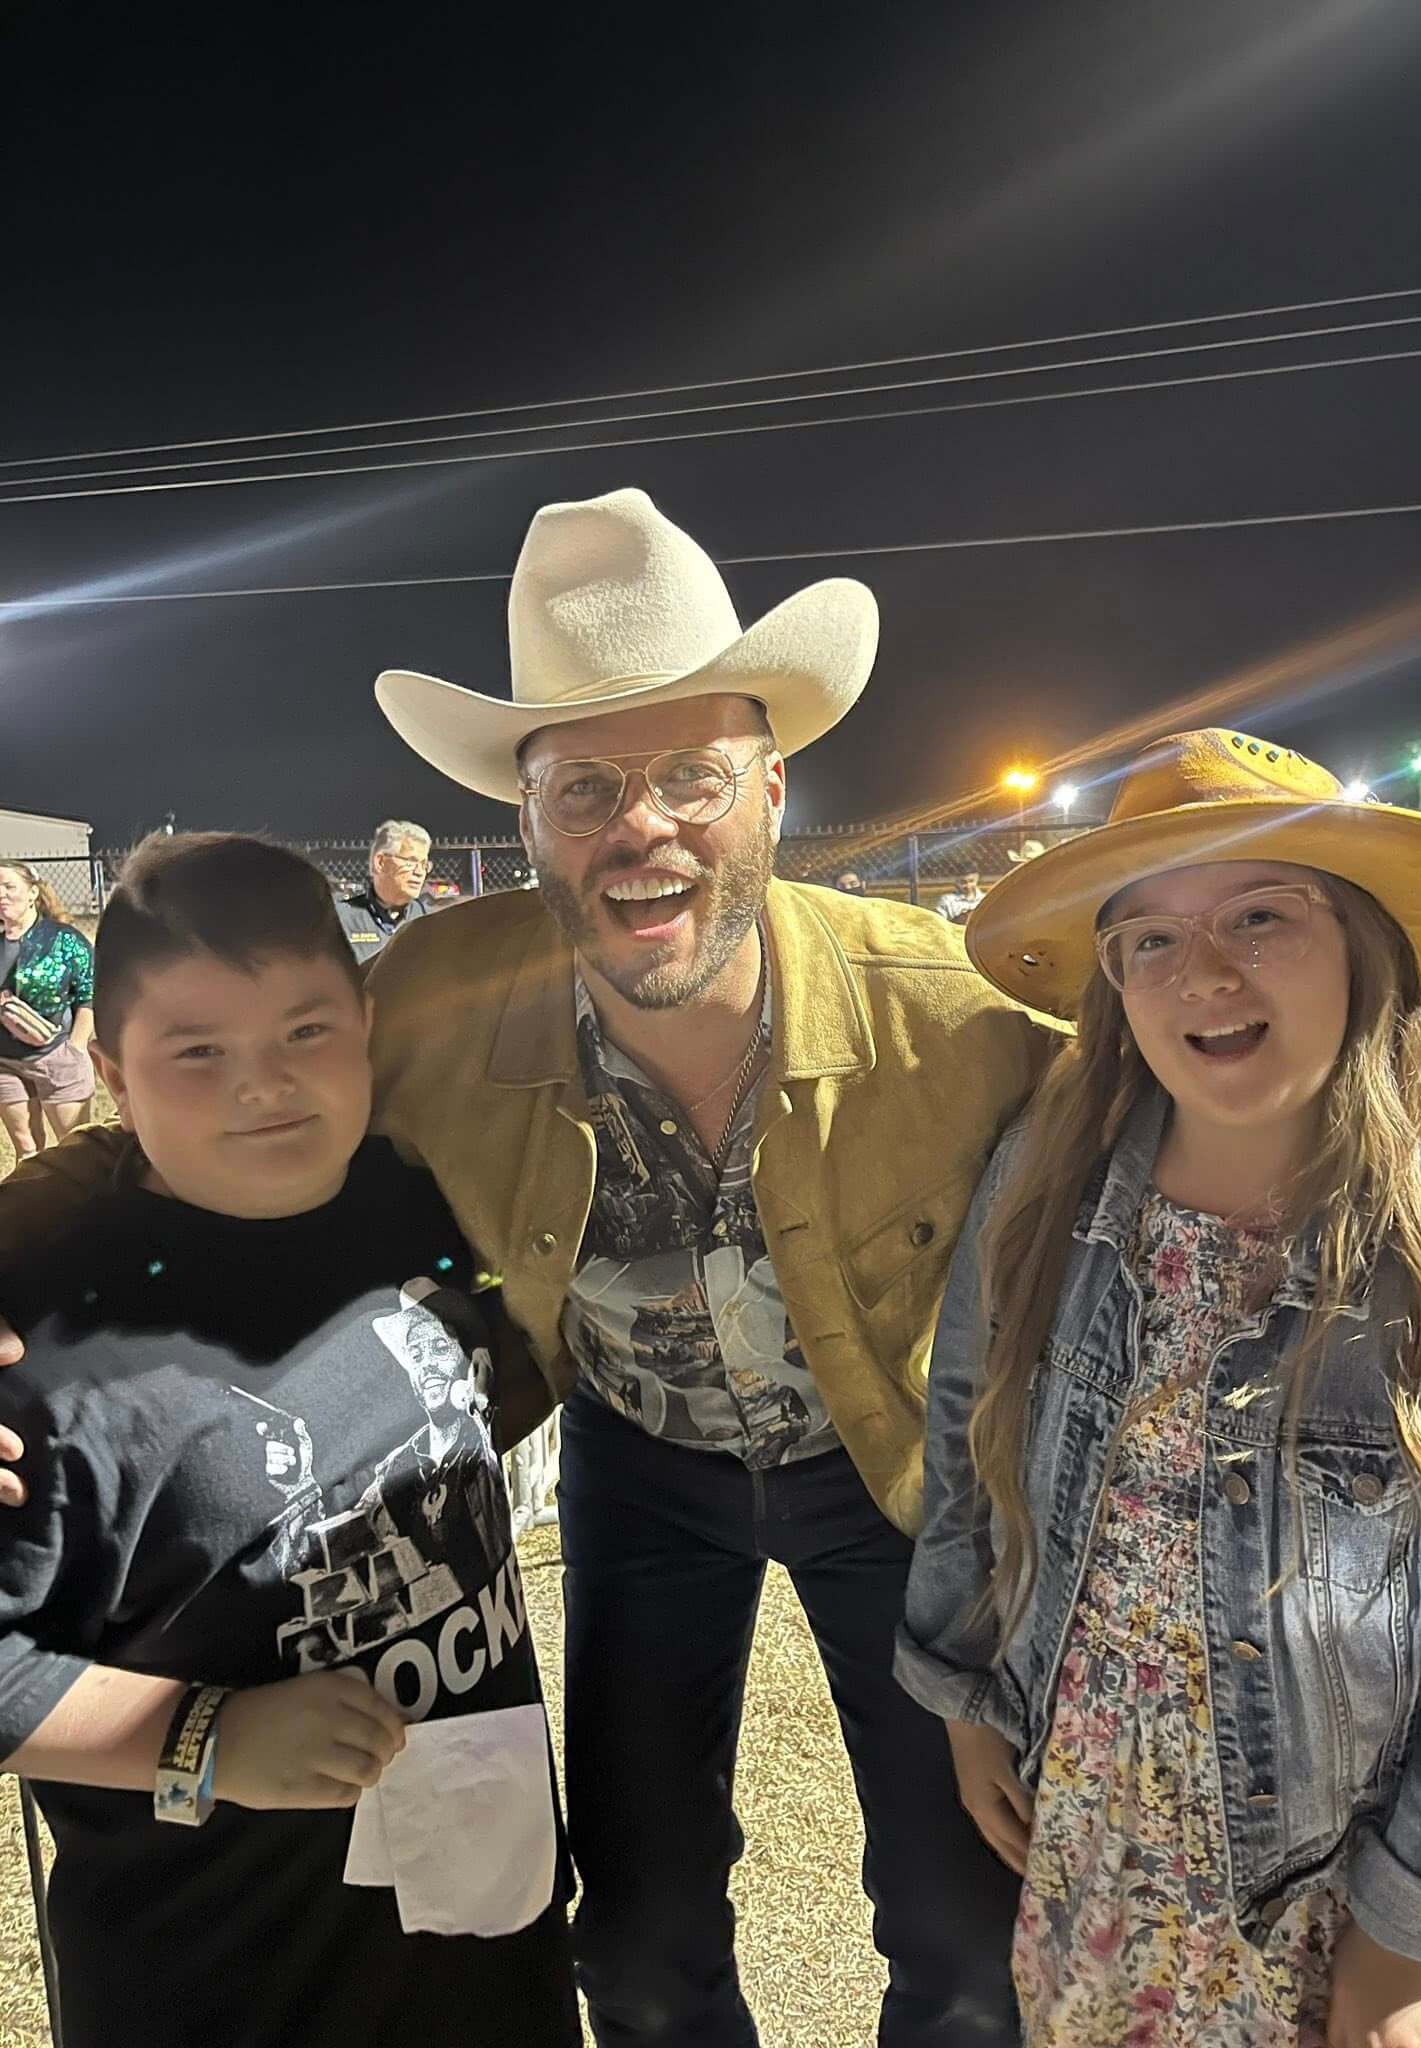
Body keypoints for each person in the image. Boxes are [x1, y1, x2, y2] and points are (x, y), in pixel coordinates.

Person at [0, 488, 1057, 2047]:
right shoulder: (438, 992)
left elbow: (1162, 1145)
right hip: (644, 1461)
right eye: (585, 788)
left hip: (892, 1470)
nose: (641, 828)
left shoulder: (954, 1012)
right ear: (530, 819)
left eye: (692, 775)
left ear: (774, 787)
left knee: (968, 1931)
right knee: (636, 1938)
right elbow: (196, 1105)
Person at [897, 726, 1421, 2048]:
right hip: (1099, 1853)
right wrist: (966, 1695)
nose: (1207, 972)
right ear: (1115, 986)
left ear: (1364, 949)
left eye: (1262, 915)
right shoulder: (1047, 1192)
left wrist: (1416, 1933)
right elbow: (970, 1420)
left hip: (1336, 1898)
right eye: (1153, 938)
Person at [0, 833, 578, 2048]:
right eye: (197, 1050)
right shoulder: (48, 1342)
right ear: (109, 1070)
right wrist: (204, 1737)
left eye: (305, 1030)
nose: (263, 1083)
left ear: (366, 1024)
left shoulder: (422, 1197)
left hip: (487, 1931)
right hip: (226, 1974)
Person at [0, 861, 96, 1165]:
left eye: (9, 886)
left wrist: (76, 1048)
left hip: (56, 1056)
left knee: (76, 1150)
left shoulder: (63, 939)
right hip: (6, 1063)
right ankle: (35, 1197)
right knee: (27, 1152)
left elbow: (90, 994)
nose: (1, 894)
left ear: (32, 893)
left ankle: (88, 1198)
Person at [335, 820, 433, 961]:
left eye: (424, 865)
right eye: (411, 861)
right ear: (380, 862)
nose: (419, 872)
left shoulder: (429, 919)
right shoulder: (341, 920)